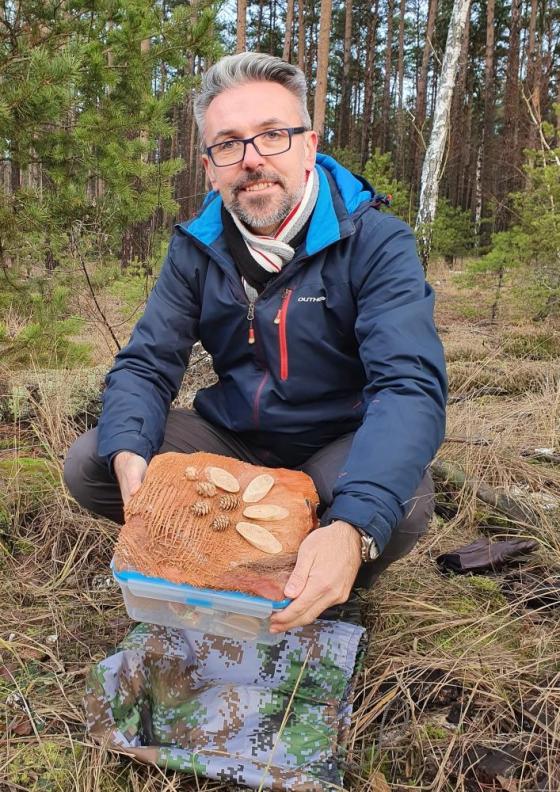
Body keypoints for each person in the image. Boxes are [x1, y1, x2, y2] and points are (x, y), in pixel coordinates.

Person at [64, 52, 447, 633]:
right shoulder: (198, 247)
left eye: (273, 135)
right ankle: (213, 570)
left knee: (399, 505)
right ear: (210, 165)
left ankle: (322, 579)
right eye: (229, 144)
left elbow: (410, 386)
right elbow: (146, 364)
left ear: (308, 143)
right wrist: (129, 459)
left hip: (334, 442)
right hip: (234, 437)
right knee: (92, 462)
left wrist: (352, 525)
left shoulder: (374, 242)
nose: (252, 160)